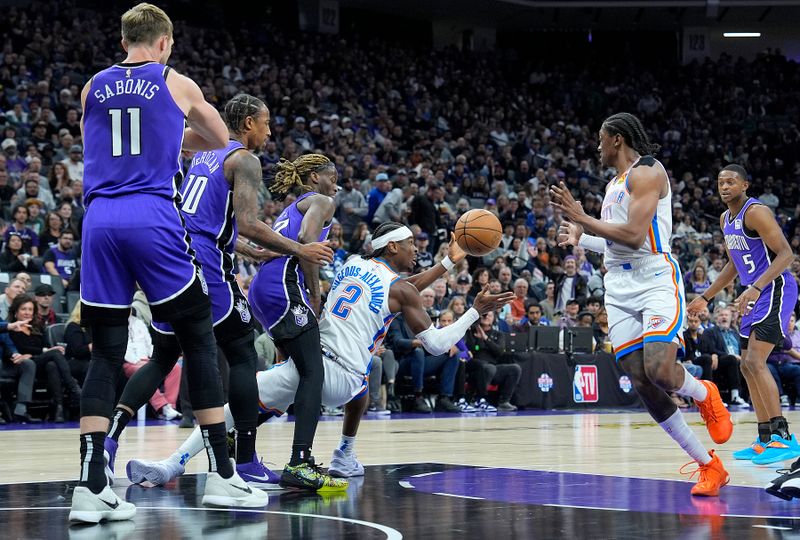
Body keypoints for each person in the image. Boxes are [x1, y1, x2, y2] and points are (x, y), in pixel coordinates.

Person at [123, 222, 513, 485]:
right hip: (340, 377)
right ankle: (340, 452)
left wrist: (447, 262)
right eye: (411, 244)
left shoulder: (353, 266)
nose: (417, 249)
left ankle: (171, 464)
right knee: (360, 381)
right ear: (393, 246)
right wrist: (476, 311)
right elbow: (435, 344)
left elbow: (403, 286)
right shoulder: (402, 291)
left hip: (312, 362)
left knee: (239, 403)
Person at [69, 3, 265, 522]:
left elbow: (105, 141)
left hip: (99, 220)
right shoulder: (175, 82)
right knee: (198, 337)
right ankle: (224, 476)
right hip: (150, 215)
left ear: (124, 41)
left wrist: (157, 140)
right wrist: (171, 137)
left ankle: (90, 486)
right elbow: (223, 142)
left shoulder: (93, 86)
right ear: (164, 43)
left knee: (106, 354)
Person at [101, 96, 334, 494]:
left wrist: (249, 250)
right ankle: (244, 460)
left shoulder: (205, 151)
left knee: (163, 356)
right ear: (247, 123)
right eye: (266, 123)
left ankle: (109, 440)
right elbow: (245, 221)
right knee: (243, 351)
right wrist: (299, 249)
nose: (269, 131)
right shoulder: (244, 159)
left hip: (172, 254)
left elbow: (208, 218)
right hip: (205, 263)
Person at [552, 112, 731, 497]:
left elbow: (634, 236)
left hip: (653, 278)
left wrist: (581, 217)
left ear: (616, 138)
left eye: (601, 138)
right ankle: (708, 465)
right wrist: (581, 236)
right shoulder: (612, 185)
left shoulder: (648, 171)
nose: (597, 146)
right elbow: (616, 243)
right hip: (618, 284)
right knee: (640, 379)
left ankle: (705, 394)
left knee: (661, 369)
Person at [687, 164, 798, 467]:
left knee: (755, 362)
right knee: (747, 366)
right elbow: (734, 264)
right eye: (720, 181)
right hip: (754, 294)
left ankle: (784, 437)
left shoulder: (755, 212)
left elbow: (787, 254)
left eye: (731, 181)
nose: (724, 186)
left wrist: (756, 287)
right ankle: (765, 438)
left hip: (774, 288)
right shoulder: (726, 219)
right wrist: (705, 296)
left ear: (745, 185)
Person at [247, 152, 344, 491]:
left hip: (264, 289)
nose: (336, 183)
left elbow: (286, 244)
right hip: (283, 289)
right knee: (313, 372)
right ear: (316, 177)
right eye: (332, 176)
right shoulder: (321, 200)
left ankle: (238, 435)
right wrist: (315, 295)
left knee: (298, 376)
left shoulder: (292, 207)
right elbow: (307, 241)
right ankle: (299, 461)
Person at [8, 294, 80, 423]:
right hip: (22, 365)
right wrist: (45, 351)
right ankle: (73, 388)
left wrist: (41, 352)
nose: (27, 313)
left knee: (52, 365)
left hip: (39, 363)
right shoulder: (12, 327)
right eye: (23, 309)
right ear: (15, 312)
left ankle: (58, 408)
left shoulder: (38, 326)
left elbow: (44, 346)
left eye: (30, 309)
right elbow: (22, 349)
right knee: (55, 354)